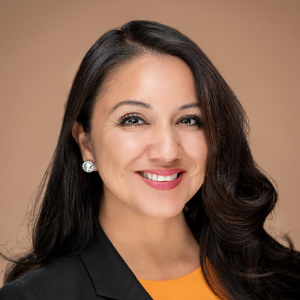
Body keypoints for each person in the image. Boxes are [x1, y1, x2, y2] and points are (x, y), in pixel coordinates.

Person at [0, 20, 299, 300]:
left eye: (189, 120)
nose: (168, 152)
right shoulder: (36, 295)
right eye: (133, 120)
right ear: (86, 142)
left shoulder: (284, 280)